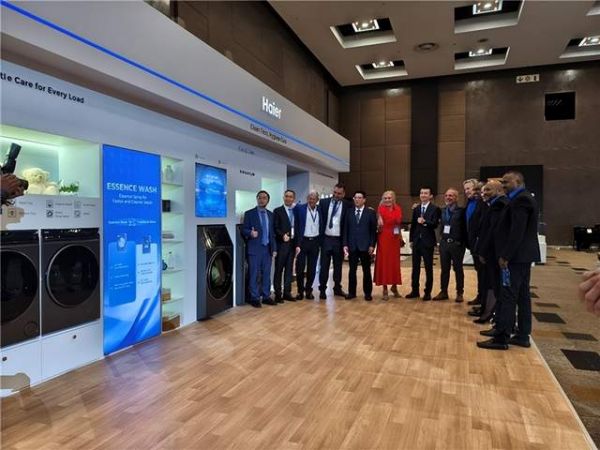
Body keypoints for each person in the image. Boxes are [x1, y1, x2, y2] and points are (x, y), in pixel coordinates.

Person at [477, 171, 540, 350]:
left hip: (515, 257)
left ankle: (501, 337)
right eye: (502, 182)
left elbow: (517, 231)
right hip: (521, 256)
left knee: (508, 296)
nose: (503, 185)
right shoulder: (519, 199)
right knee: (522, 295)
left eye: (506, 182)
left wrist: (506, 255)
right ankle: (522, 335)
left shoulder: (521, 200)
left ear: (518, 181)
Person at [472, 180, 508, 324]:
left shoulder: (499, 205)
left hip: (493, 253)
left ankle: (494, 316)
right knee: (489, 283)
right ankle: (488, 311)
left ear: (498, 191)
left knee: (495, 285)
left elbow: (492, 231)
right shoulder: (491, 204)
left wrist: (482, 251)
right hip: (490, 252)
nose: (484, 193)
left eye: (488, 190)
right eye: (484, 190)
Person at [242, 190, 277, 308]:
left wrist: (274, 248)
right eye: (260, 198)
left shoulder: (271, 215)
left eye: (264, 198)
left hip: (267, 249)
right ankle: (254, 297)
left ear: (268, 200)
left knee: (266, 274)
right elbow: (244, 229)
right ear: (257, 199)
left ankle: (266, 296)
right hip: (254, 249)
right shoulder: (249, 213)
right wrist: (250, 233)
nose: (262, 200)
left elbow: (272, 234)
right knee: (254, 274)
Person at [406, 187, 441, 301]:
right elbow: (413, 225)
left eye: (426, 193)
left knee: (428, 268)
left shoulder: (435, 209)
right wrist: (411, 240)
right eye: (421, 193)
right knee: (415, 268)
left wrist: (425, 222)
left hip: (428, 242)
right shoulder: (416, 208)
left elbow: (435, 224)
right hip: (417, 242)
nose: (423, 195)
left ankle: (427, 292)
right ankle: (415, 291)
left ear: (430, 196)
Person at [433, 188, 467, 302]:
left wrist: (463, 242)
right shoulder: (442, 210)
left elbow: (465, 228)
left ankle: (459, 293)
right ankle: (443, 292)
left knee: (458, 269)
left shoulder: (461, 211)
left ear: (456, 198)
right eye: (446, 195)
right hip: (444, 244)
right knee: (444, 269)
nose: (448, 197)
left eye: (451, 195)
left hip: (457, 244)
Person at [343, 191, 377, 301]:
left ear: (364, 200)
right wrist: (345, 244)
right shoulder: (349, 212)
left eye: (359, 197)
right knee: (352, 271)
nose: (357, 199)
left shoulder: (370, 213)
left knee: (366, 271)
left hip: (365, 246)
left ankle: (368, 293)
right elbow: (345, 229)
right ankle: (351, 292)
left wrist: (372, 245)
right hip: (352, 246)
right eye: (355, 197)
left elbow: (373, 231)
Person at [318, 183, 350, 300]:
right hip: (326, 239)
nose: (336, 195)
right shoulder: (323, 203)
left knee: (338, 267)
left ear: (343, 194)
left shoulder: (348, 205)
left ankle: (337, 288)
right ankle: (322, 289)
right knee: (324, 266)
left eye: (339, 193)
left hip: (338, 240)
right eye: (335, 192)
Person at [374, 190, 403, 300]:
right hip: (384, 238)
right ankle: (385, 288)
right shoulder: (380, 209)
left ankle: (394, 287)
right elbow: (378, 225)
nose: (387, 200)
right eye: (385, 198)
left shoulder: (398, 208)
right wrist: (378, 221)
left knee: (394, 263)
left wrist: (400, 237)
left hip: (394, 238)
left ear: (393, 198)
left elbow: (398, 225)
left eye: (389, 198)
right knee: (384, 263)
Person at [294, 191, 321, 300]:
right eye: (310, 198)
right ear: (307, 198)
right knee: (300, 268)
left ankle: (309, 290)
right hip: (303, 242)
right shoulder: (299, 208)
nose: (311, 200)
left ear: (317, 200)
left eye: (314, 198)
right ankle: (300, 291)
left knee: (312, 268)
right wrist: (297, 243)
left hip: (315, 242)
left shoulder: (320, 210)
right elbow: (296, 225)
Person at [464, 179, 486, 306]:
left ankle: (484, 299)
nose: (467, 191)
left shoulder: (482, 203)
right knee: (479, 270)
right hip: (473, 243)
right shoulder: (469, 203)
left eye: (469, 188)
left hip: (480, 243)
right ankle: (480, 296)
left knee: (483, 272)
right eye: (465, 189)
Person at [273, 189, 297, 303]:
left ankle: (287, 293)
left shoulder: (296, 211)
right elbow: (275, 227)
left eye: (290, 196)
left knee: (289, 270)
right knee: (279, 270)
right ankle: (278, 294)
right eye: (286, 196)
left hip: (292, 245)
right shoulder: (277, 211)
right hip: (282, 245)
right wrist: (282, 235)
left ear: (294, 199)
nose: (288, 198)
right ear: (283, 197)